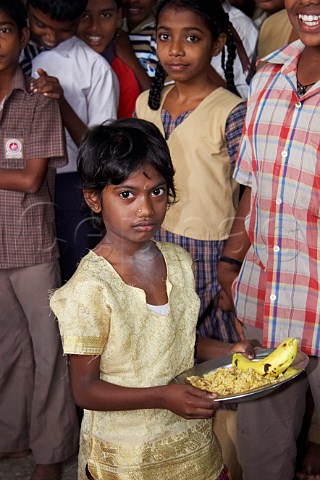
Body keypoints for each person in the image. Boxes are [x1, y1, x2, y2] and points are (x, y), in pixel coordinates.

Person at [50, 117, 259, 480]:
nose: (146, 209)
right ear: (94, 199)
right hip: (127, 459)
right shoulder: (89, 288)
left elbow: (176, 340)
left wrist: (229, 351)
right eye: (126, 194)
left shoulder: (178, 262)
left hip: (191, 449)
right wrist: (164, 396)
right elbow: (85, 390)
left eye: (157, 192)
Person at [217, 0, 320, 476]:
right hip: (269, 296)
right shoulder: (270, 76)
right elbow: (254, 186)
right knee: (263, 449)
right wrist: (233, 260)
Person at [135, 0, 246, 344]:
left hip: (209, 247)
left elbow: (253, 192)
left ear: (217, 45)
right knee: (163, 338)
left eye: (192, 39)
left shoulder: (231, 111)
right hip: (151, 238)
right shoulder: (146, 104)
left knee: (214, 344)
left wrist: (232, 261)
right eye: (165, 36)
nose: (176, 50)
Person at [0, 1, 79, 479]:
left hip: (29, 242)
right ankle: (12, 437)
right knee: (7, 347)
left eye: (3, 29)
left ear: (23, 34)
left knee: (48, 347)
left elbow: (31, 178)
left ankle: (51, 453)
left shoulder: (37, 99)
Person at [29, 0, 119, 281]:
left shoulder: (95, 68)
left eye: (63, 30)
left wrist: (61, 101)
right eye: (41, 25)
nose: (51, 37)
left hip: (72, 183)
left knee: (74, 271)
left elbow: (99, 152)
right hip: (26, 180)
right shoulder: (21, 52)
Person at [76, 0, 140, 119]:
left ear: (119, 17)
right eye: (84, 16)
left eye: (105, 15)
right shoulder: (52, 61)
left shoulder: (124, 77)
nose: (94, 27)